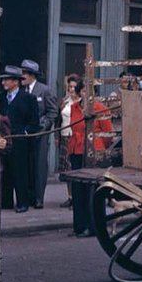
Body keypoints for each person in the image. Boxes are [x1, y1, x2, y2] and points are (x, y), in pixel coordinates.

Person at [67, 79, 113, 237]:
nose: (87, 94)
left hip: (94, 152)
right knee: (78, 190)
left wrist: (100, 149)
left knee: (91, 191)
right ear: (80, 92)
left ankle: (93, 226)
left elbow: (108, 134)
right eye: (85, 91)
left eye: (91, 91)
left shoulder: (100, 108)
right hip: (77, 150)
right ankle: (79, 225)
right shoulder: (74, 107)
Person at [0, 65, 39, 213]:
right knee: (5, 170)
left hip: (20, 141)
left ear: (15, 82)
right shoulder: (1, 98)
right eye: (3, 80)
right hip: (3, 140)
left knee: (20, 171)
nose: (3, 83)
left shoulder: (28, 99)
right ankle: (6, 201)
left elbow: (34, 123)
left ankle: (23, 202)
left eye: (6, 80)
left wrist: (24, 133)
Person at [19, 59, 58, 209]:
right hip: (24, 133)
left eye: (23, 75)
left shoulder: (45, 90)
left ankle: (38, 198)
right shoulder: (22, 92)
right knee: (26, 165)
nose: (21, 78)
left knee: (39, 165)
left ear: (31, 75)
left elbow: (53, 112)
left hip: (40, 134)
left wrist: (42, 127)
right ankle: (28, 196)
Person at [56, 73, 81, 208]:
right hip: (64, 136)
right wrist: (57, 138)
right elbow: (58, 120)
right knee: (66, 170)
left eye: (74, 87)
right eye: (70, 87)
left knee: (74, 169)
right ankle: (70, 196)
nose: (72, 89)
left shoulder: (81, 102)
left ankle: (77, 197)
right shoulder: (64, 101)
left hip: (75, 137)